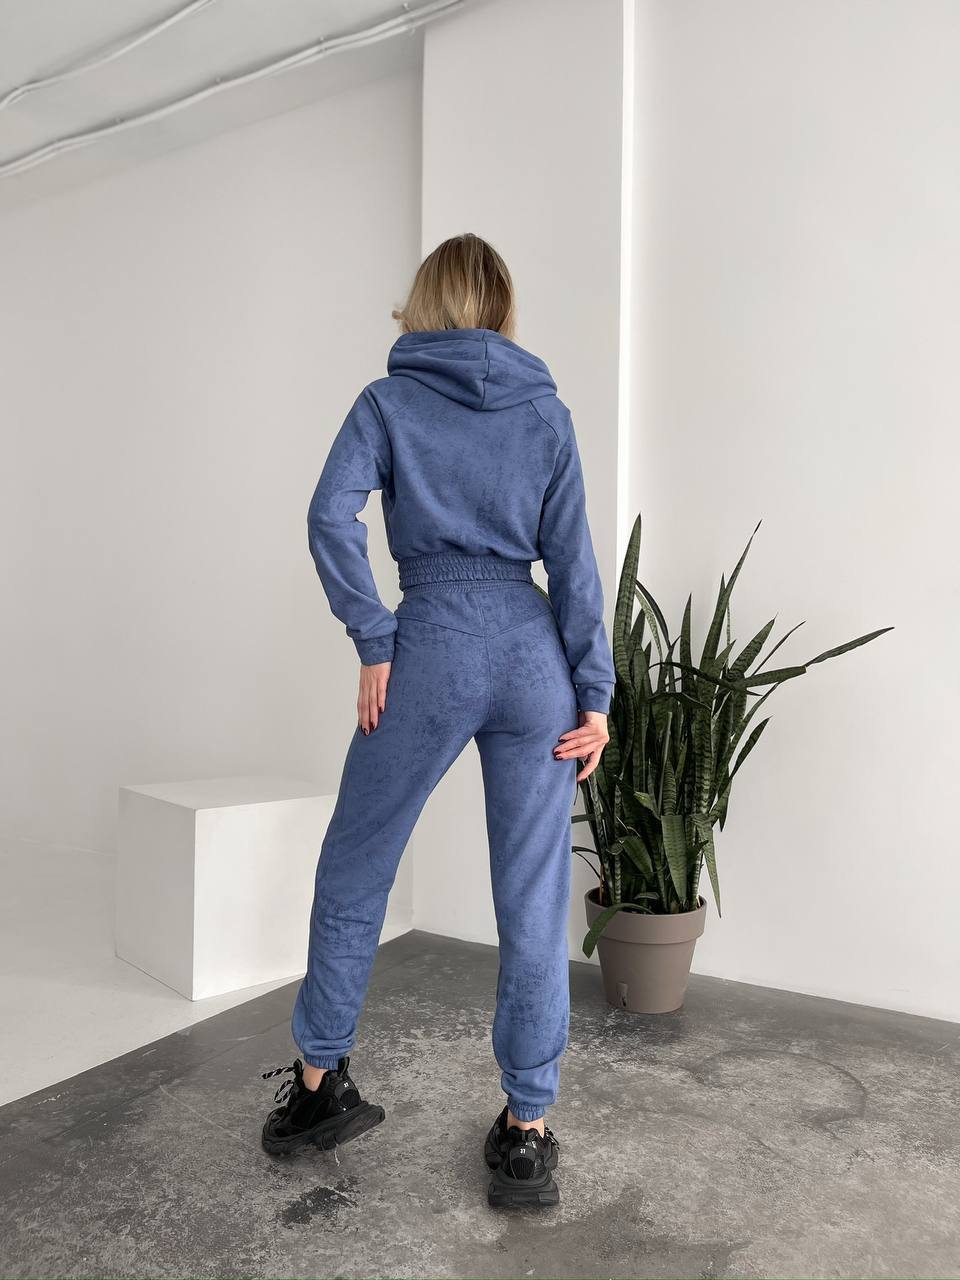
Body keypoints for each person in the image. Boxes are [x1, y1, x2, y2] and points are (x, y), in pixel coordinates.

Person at [259, 233, 614, 1208]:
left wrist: (375, 639)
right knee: (534, 894)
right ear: (500, 308)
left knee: (357, 862)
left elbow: (329, 517)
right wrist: (595, 694)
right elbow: (575, 561)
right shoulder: (545, 412)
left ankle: (320, 1088)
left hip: (431, 647)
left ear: (424, 302)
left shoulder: (388, 401)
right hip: (533, 657)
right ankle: (527, 1130)